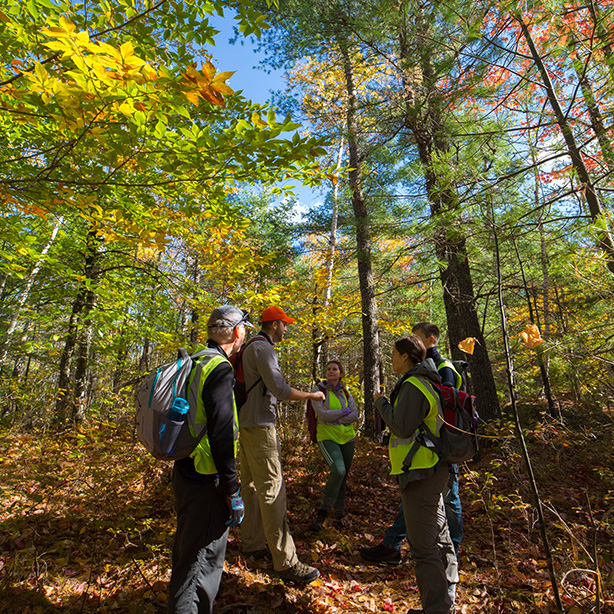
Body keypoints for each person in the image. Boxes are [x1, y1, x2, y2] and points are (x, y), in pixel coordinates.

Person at [168, 305, 252, 614]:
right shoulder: (219, 368)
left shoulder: (193, 362)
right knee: (200, 564)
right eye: (244, 330)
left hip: (185, 470)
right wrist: (231, 488)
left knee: (187, 554)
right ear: (237, 333)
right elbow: (220, 434)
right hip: (207, 478)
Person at [360, 322, 464, 564]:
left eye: (416, 339)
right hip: (424, 455)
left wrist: (383, 404)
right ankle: (394, 544)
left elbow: (417, 420)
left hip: (436, 453)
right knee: (426, 507)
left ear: (430, 341)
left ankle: (449, 557)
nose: (413, 343)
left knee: (447, 505)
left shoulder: (441, 369)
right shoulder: (422, 372)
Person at [239, 305, 324, 584]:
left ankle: (252, 545)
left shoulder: (250, 346)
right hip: (261, 428)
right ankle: (286, 562)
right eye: (284, 324)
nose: (286, 328)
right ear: (273, 324)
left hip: (246, 425)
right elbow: (281, 390)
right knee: (273, 491)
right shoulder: (264, 349)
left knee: (251, 487)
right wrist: (312, 396)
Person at [375, 335, 458, 614]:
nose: (392, 358)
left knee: (424, 547)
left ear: (407, 357)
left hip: (421, 472)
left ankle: (436, 608)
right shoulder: (429, 379)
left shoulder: (414, 384)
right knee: (441, 539)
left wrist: (381, 403)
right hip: (432, 469)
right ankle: (445, 600)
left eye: (394, 354)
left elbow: (401, 426)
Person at [307, 360, 359, 532]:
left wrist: (335, 417)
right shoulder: (318, 390)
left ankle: (338, 517)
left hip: (348, 438)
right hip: (327, 436)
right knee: (338, 470)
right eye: (328, 369)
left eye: (335, 369)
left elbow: (355, 414)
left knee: (342, 479)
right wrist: (344, 413)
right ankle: (322, 514)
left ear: (341, 373)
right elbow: (321, 414)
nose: (331, 371)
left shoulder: (345, 391)